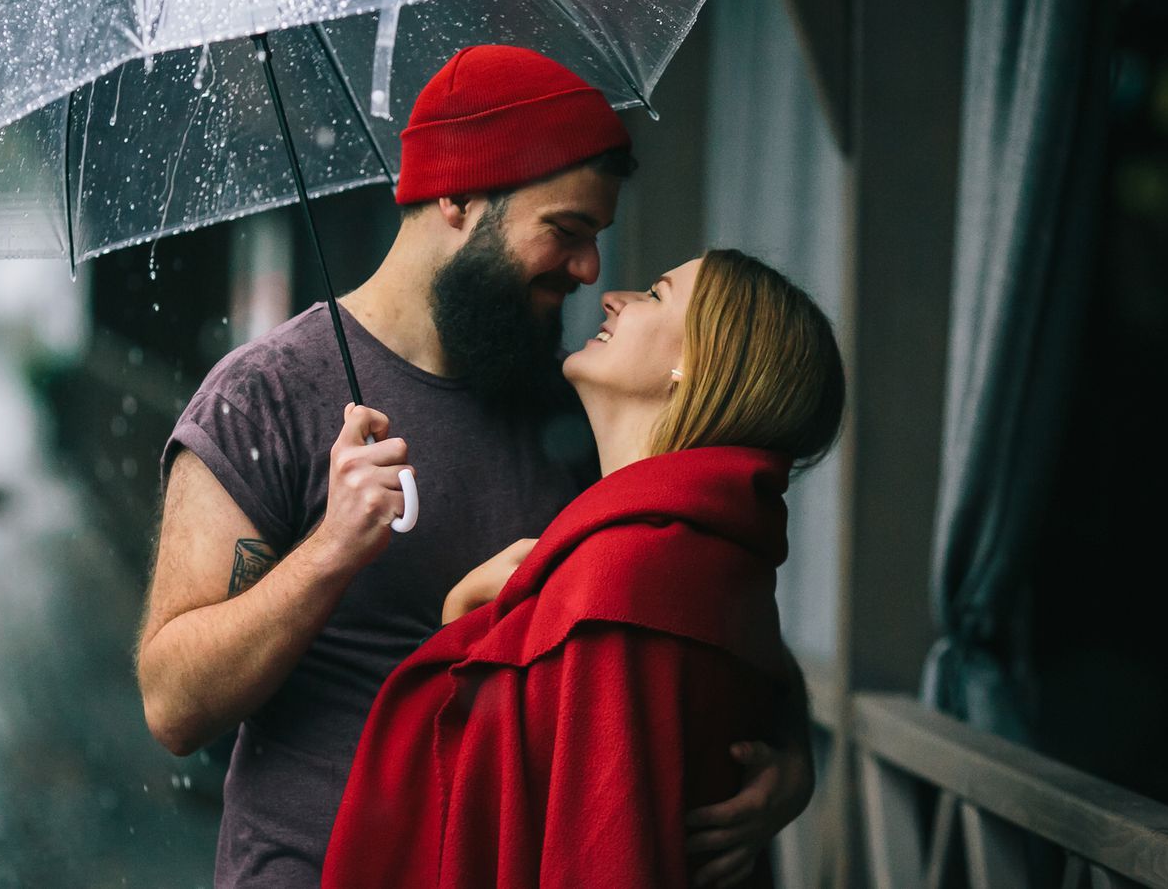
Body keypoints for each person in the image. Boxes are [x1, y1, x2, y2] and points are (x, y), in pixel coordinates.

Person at [136, 45, 814, 889]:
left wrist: (789, 768)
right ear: (456, 194)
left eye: (596, 239)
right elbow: (173, 705)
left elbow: (720, 641)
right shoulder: (263, 398)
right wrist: (330, 550)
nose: (590, 270)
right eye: (566, 231)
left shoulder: (574, 409)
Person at [321, 249, 844, 889]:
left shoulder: (625, 576)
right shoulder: (710, 552)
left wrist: (466, 623)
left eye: (655, 293)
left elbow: (594, 850)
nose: (610, 295)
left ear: (696, 364)